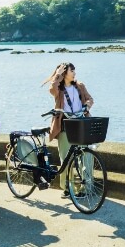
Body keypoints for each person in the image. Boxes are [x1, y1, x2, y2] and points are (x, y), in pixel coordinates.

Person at [44, 62, 94, 199]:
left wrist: (86, 107)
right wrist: (58, 75)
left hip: (80, 126)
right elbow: (51, 89)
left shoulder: (80, 86)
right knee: (65, 158)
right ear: (65, 73)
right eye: (72, 71)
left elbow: (90, 99)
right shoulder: (58, 90)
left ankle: (86, 187)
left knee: (87, 155)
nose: (75, 73)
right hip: (65, 126)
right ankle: (67, 188)